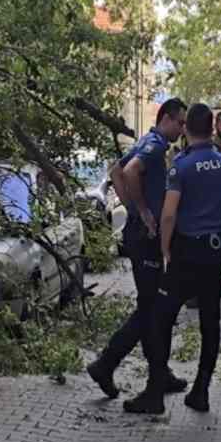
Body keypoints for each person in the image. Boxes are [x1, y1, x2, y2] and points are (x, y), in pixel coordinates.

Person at [123, 103, 221, 414]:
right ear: (212, 128)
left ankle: (154, 393)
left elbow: (169, 214)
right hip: (215, 251)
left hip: (186, 252)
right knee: (210, 322)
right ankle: (201, 390)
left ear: (186, 129)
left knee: (160, 319)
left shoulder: (182, 166)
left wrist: (165, 249)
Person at [87, 98, 190, 399]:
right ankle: (106, 364)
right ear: (166, 119)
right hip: (145, 238)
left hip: (141, 234)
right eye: (180, 122)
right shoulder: (155, 145)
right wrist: (142, 212)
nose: (182, 129)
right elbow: (130, 171)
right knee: (150, 309)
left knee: (152, 307)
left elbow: (115, 171)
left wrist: (132, 208)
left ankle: (159, 372)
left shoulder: (148, 141)